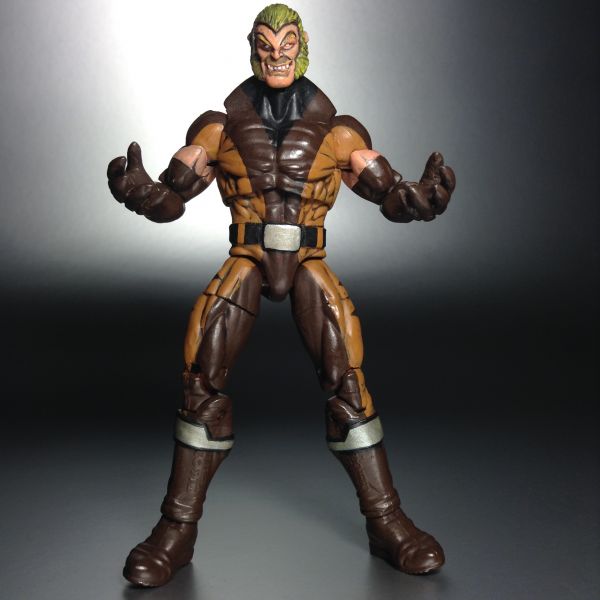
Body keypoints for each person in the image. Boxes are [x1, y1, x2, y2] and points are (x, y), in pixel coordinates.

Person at [108, 3, 456, 588]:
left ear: (302, 47)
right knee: (200, 380)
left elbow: (390, 194)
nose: (276, 55)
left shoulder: (339, 133)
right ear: (253, 49)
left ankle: (387, 521)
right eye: (266, 45)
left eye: (286, 43)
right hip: (246, 258)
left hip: (308, 261)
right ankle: (177, 530)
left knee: (349, 385)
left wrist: (423, 200)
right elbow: (173, 199)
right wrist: (139, 192)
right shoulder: (218, 129)